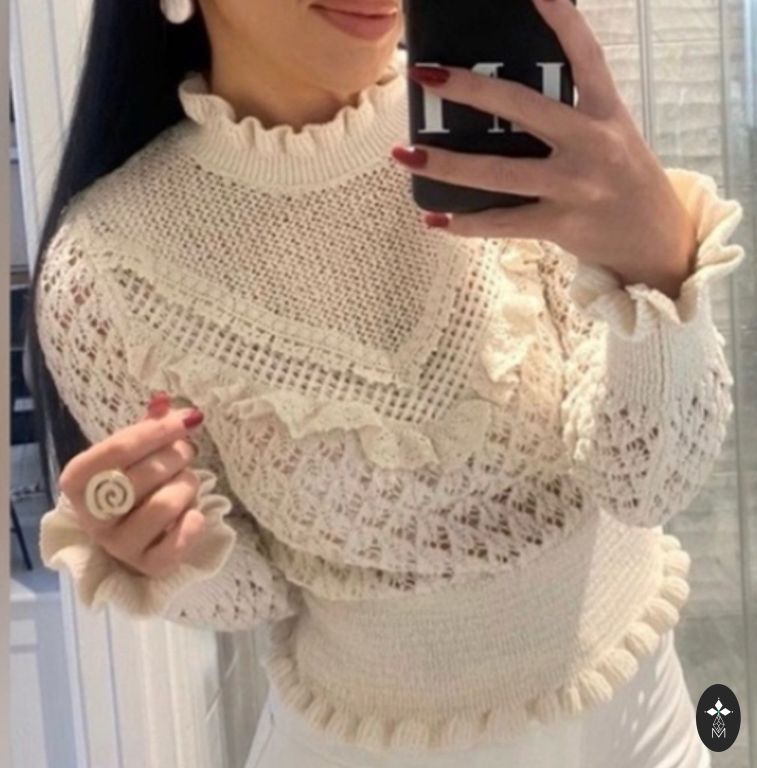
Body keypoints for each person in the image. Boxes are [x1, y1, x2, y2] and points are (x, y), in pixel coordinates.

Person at [28, 0, 745, 765]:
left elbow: (649, 483)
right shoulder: (104, 271)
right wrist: (167, 552)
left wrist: (658, 265)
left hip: (645, 732)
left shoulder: (517, 131)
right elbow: (248, 597)